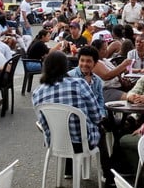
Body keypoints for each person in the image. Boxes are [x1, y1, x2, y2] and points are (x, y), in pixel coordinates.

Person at [32, 51, 108, 179]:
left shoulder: (37, 93)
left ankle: (69, 170)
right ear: (65, 66)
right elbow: (96, 116)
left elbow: (43, 122)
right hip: (82, 142)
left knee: (66, 127)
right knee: (100, 129)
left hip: (56, 142)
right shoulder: (79, 84)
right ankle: (108, 175)